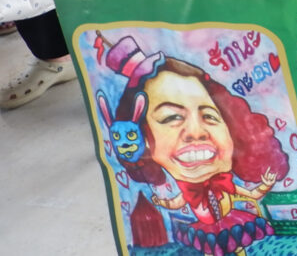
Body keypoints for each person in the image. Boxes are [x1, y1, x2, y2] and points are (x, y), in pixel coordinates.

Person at [102, 35, 286, 256]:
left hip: (230, 224)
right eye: (171, 117)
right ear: (143, 141)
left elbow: (252, 194)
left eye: (210, 116)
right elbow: (176, 203)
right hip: (207, 230)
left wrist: (265, 185)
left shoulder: (224, 183)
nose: (196, 132)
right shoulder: (187, 191)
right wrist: (163, 202)